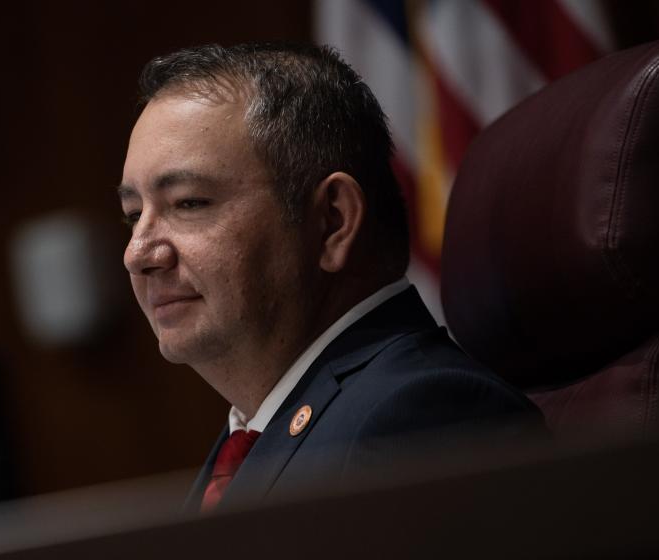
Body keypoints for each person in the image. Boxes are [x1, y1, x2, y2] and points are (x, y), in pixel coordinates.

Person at [117, 42, 543, 513]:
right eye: (133, 214)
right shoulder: (252, 437)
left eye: (189, 203)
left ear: (333, 221)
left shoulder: (420, 418)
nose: (138, 254)